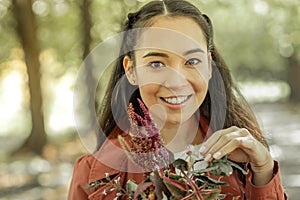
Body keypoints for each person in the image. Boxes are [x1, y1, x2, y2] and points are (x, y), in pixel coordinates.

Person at [68, 0, 287, 199]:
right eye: (156, 63)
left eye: (192, 61)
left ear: (209, 66)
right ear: (131, 70)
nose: (176, 82)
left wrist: (264, 170)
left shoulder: (244, 160)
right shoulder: (93, 175)